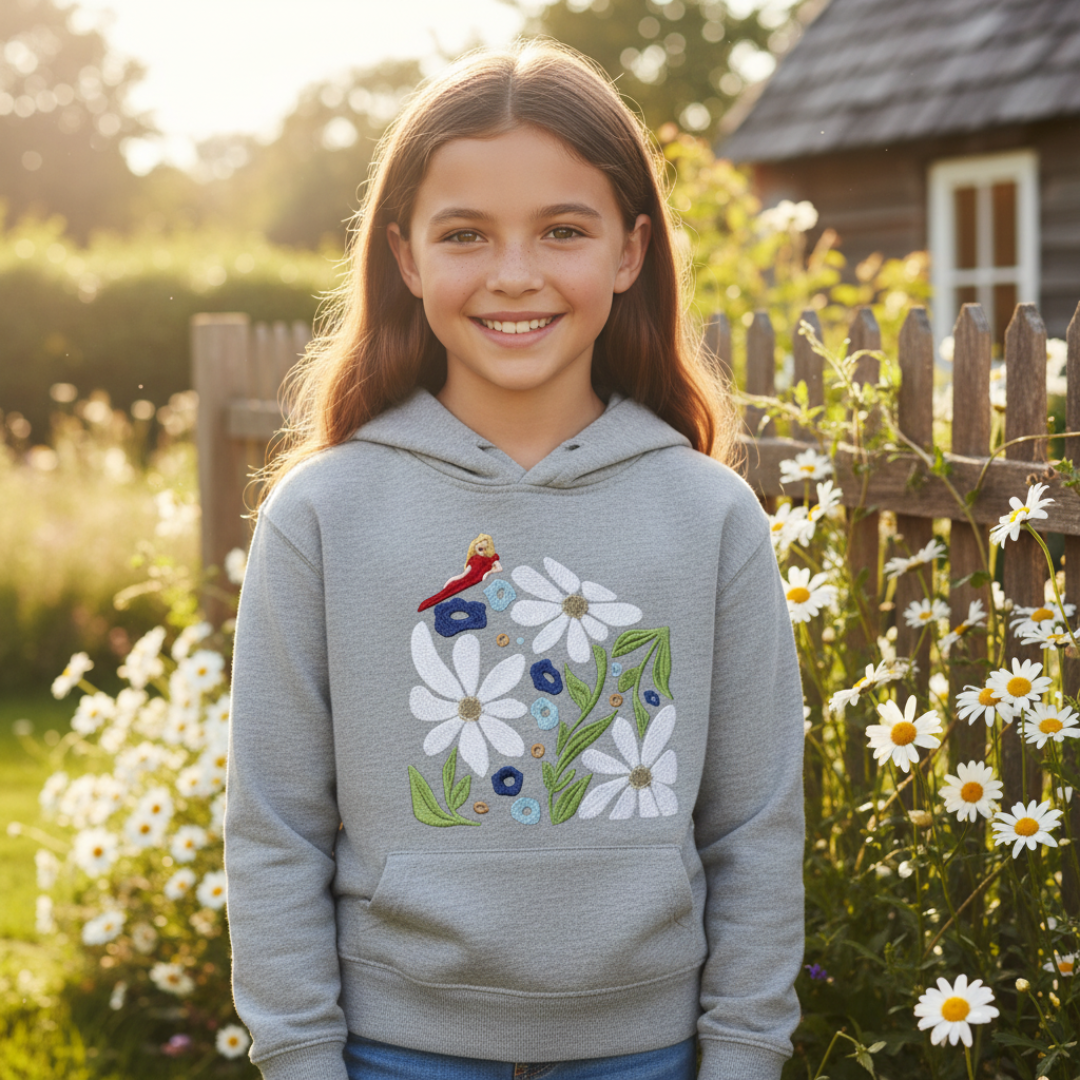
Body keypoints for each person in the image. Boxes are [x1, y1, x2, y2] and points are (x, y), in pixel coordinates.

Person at [225, 39, 805, 1080]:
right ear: (404, 256)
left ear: (630, 252)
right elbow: (275, 830)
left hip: (651, 1055)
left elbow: (756, 827)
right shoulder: (322, 515)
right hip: (389, 1053)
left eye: (563, 230)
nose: (514, 274)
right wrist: (303, 1057)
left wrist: (746, 1054)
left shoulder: (711, 515)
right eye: (465, 234)